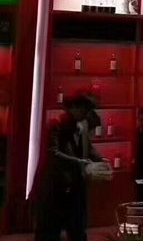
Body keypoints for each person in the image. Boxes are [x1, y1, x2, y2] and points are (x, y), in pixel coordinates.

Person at [34, 93, 104, 241]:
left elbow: (88, 147)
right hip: (56, 188)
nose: (85, 114)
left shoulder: (82, 126)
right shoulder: (56, 125)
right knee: (50, 231)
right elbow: (53, 153)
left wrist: (101, 159)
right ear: (72, 108)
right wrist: (79, 162)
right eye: (83, 109)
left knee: (78, 230)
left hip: (76, 187)